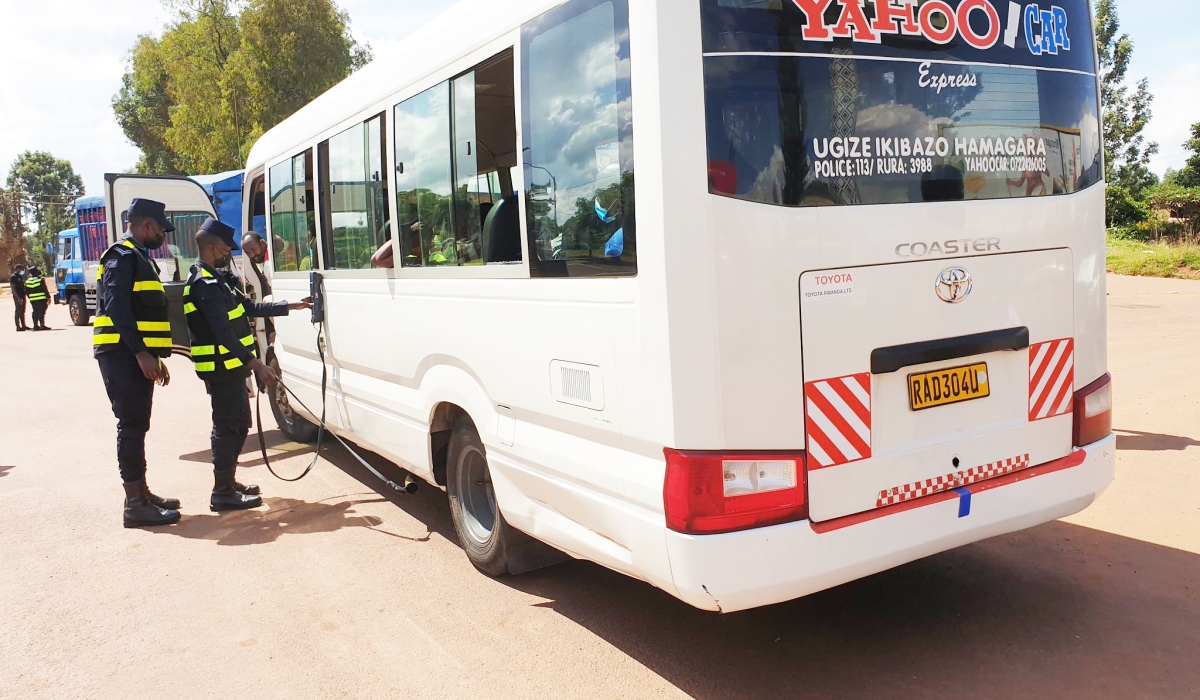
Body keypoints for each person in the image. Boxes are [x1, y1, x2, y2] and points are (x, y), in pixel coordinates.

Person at [183, 218, 310, 512]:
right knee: (228, 427)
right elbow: (222, 333)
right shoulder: (204, 284)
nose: (229, 251)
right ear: (213, 246)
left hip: (231, 367)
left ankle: (228, 482)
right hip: (221, 368)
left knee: (239, 425)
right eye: (226, 246)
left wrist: (291, 305)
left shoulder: (217, 279)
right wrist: (257, 365)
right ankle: (222, 492)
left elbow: (249, 308)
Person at [93, 199, 180, 528]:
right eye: (161, 230)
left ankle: (141, 494)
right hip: (120, 353)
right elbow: (117, 309)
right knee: (130, 425)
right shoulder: (122, 256)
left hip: (131, 353)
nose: (163, 237)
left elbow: (143, 312)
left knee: (137, 424)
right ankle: (135, 506)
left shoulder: (139, 257)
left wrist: (153, 354)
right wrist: (141, 353)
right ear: (147, 226)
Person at [24, 266, 51, 331]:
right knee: (41, 312)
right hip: (41, 299)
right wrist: (49, 297)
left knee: (35, 312)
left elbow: (26, 292)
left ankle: (35, 326)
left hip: (33, 300)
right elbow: (45, 289)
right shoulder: (40, 279)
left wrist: (31, 297)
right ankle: (42, 325)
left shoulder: (27, 281)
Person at [9, 264, 28, 332]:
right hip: (17, 296)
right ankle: (18, 326)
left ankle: (23, 325)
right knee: (18, 311)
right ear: (17, 269)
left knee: (22, 311)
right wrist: (18, 298)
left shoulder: (19, 276)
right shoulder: (13, 277)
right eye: (21, 269)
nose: (22, 270)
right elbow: (13, 288)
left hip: (22, 295)